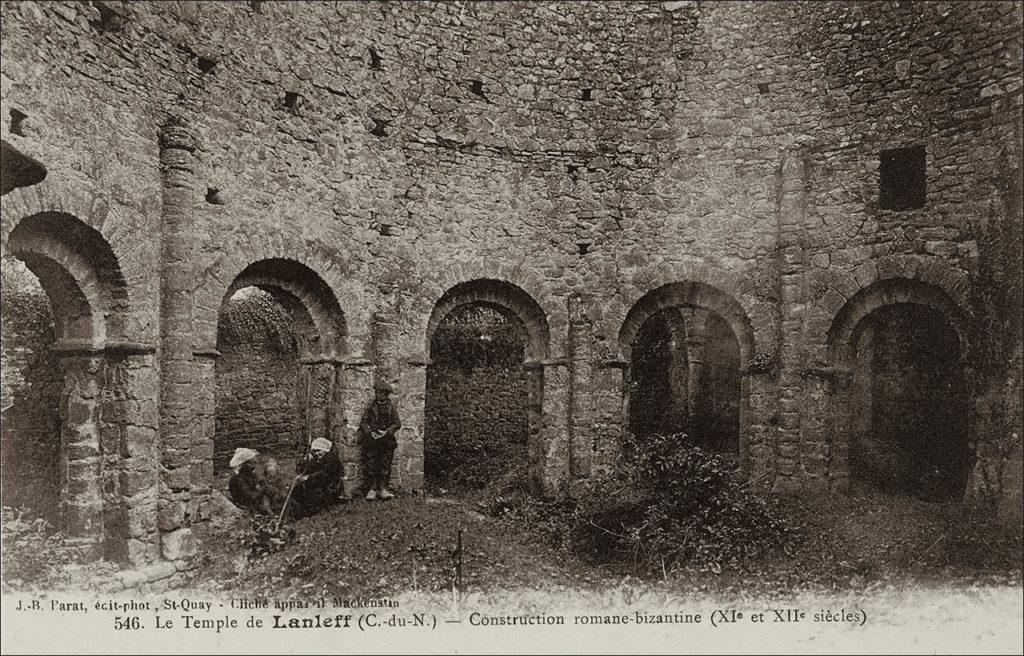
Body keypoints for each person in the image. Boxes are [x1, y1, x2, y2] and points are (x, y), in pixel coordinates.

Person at [359, 380, 401, 501]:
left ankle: (383, 489)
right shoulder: (371, 407)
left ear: (385, 394)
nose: (377, 394)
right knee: (371, 464)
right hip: (373, 440)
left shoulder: (391, 407)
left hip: (386, 441)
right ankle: (372, 489)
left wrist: (387, 432)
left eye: (380, 392)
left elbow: (397, 423)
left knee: (385, 465)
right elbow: (364, 422)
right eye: (377, 392)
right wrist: (370, 432)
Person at [290, 437, 342, 517]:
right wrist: (302, 474)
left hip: (331, 487)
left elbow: (324, 474)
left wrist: (307, 477)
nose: (317, 453)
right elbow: (308, 470)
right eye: (314, 451)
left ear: (325, 450)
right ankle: (295, 511)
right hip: (319, 485)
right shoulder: (316, 460)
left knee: (312, 497)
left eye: (319, 451)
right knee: (296, 490)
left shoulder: (332, 460)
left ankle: (306, 513)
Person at [228, 447, 274, 514]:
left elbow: (259, 486)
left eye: (255, 464)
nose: (253, 466)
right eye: (251, 464)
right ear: (243, 464)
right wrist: (262, 488)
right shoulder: (237, 479)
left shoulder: (251, 475)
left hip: (255, 501)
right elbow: (250, 497)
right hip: (243, 505)